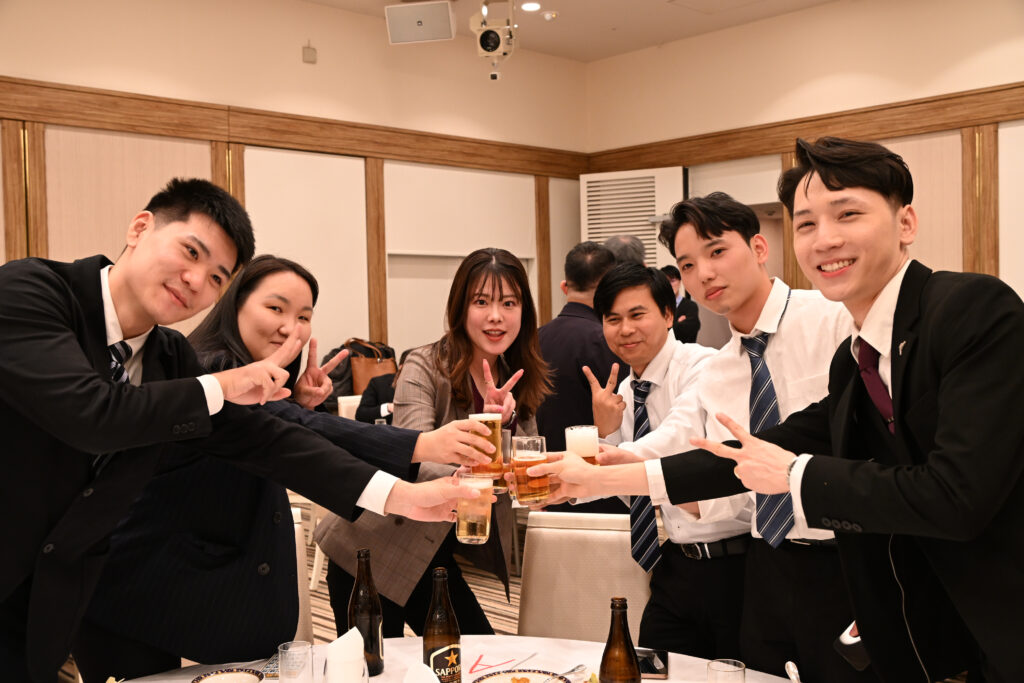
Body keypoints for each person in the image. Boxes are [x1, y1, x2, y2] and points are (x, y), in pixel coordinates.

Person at [532, 137, 1024, 683]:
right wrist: (602, 477)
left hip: (979, 602)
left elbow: (957, 495)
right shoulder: (853, 357)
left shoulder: (966, 309)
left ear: (905, 222)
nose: (825, 239)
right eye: (807, 224)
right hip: (822, 582)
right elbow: (747, 454)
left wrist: (794, 475)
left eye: (848, 214)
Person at [0, 179, 482, 683]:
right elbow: (90, 414)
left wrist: (403, 496)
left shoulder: (168, 356)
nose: (195, 281)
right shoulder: (32, 291)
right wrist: (221, 385)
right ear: (140, 228)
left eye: (216, 277)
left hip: (53, 597)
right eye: (190, 252)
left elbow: (264, 441)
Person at [601, 194, 859, 679]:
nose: (704, 273)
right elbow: (733, 486)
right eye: (687, 264)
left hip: (846, 557)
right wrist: (638, 475)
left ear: (759, 248)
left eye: (717, 251)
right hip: (766, 565)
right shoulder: (720, 371)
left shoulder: (833, 319)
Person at [316, 247, 551, 637]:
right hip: (370, 549)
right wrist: (484, 440)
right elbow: (415, 457)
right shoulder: (424, 365)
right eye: (481, 302)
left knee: (475, 651)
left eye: (509, 303)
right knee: (377, 666)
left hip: (431, 552)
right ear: (460, 308)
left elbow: (524, 475)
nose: (496, 316)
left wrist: (505, 422)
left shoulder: (516, 375)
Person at [585, 263, 727, 657]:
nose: (625, 329)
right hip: (675, 561)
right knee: (652, 669)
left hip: (734, 561)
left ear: (667, 314)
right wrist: (605, 432)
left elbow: (676, 440)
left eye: (637, 314)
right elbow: (633, 493)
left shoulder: (703, 365)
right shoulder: (625, 391)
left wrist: (588, 466)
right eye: (613, 319)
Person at [536, 241, 625, 514]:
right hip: (605, 490)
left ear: (565, 287)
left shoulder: (535, 339)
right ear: (611, 287)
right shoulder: (611, 340)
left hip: (546, 484)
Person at [355, 350, 411, 424]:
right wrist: (388, 408)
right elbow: (361, 415)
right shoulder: (379, 383)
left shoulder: (425, 386)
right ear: (401, 367)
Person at [659, 263, 700, 343]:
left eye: (672, 281)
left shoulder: (691, 306)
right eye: (666, 282)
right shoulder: (658, 306)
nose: (670, 285)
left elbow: (690, 330)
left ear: (680, 281)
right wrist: (677, 323)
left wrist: (667, 327)